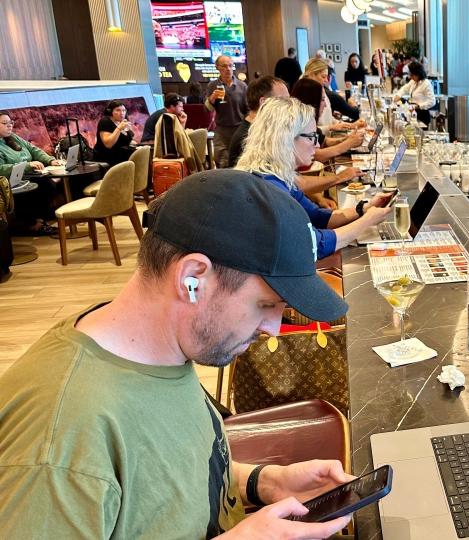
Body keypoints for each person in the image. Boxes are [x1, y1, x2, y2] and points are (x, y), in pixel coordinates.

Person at [0, 169, 355, 538]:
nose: (274, 329)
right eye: (266, 304)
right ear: (192, 279)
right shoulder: (57, 447)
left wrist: (264, 482)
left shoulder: (160, 346)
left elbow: (165, 477)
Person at [234, 97, 391, 258]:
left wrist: (364, 208)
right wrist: (367, 221)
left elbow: (317, 217)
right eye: (311, 137)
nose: (317, 145)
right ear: (286, 138)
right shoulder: (269, 186)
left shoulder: (277, 175)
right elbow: (314, 245)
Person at [0, 111, 61, 235]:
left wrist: (50, 160)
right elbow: (1, 168)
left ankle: (40, 220)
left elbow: (34, 150)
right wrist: (27, 165)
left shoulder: (13, 137)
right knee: (39, 187)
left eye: (10, 123)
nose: (9, 126)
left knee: (48, 184)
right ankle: (31, 225)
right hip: (8, 182)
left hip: (27, 175)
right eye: (4, 123)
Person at [289, 78, 366, 165]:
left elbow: (324, 141)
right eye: (322, 100)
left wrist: (347, 139)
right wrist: (347, 144)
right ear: (311, 101)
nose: (325, 105)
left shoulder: (309, 120)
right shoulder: (300, 124)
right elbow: (316, 155)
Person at [227, 75, 289, 168]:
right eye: (283, 100)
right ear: (263, 102)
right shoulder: (247, 139)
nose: (289, 106)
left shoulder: (262, 130)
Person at [205, 55, 249, 168]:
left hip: (238, 129)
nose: (228, 69)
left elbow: (248, 110)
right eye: (224, 66)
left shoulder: (242, 86)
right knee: (222, 163)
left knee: (240, 163)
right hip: (221, 131)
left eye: (230, 65)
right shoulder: (213, 85)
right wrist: (212, 99)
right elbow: (207, 109)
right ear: (217, 68)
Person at [302, 58, 361, 125]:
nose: (326, 80)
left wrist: (348, 125)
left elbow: (327, 119)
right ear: (312, 75)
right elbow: (313, 128)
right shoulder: (306, 96)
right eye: (323, 77)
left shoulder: (322, 90)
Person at [94, 100, 136, 166]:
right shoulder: (105, 121)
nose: (122, 113)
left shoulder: (122, 121)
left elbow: (128, 140)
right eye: (118, 110)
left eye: (123, 110)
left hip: (123, 157)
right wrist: (119, 128)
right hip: (108, 159)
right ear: (110, 112)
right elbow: (108, 144)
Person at [394, 61, 435, 126]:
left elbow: (432, 101)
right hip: (413, 113)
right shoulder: (413, 82)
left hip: (422, 115)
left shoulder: (426, 84)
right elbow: (404, 89)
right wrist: (398, 95)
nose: (410, 77)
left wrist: (418, 106)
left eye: (412, 75)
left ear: (418, 73)